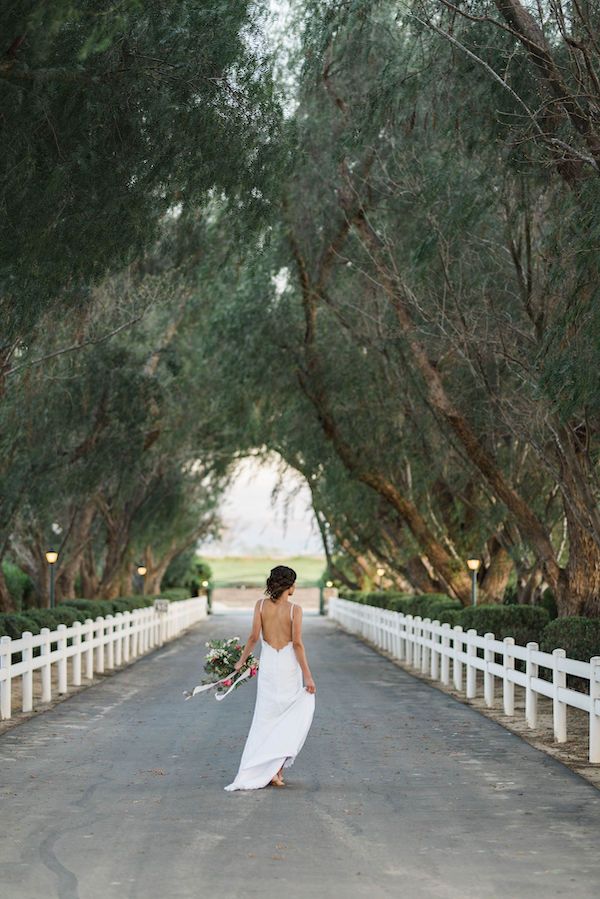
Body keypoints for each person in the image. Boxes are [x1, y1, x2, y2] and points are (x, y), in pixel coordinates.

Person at [224, 565, 316, 791]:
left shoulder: (260, 605)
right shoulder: (295, 610)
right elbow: (297, 644)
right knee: (286, 717)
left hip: (269, 668)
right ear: (289, 586)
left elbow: (254, 637)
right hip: (288, 668)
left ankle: (269, 770)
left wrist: (241, 661)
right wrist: (308, 677)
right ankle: (276, 771)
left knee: (265, 717)